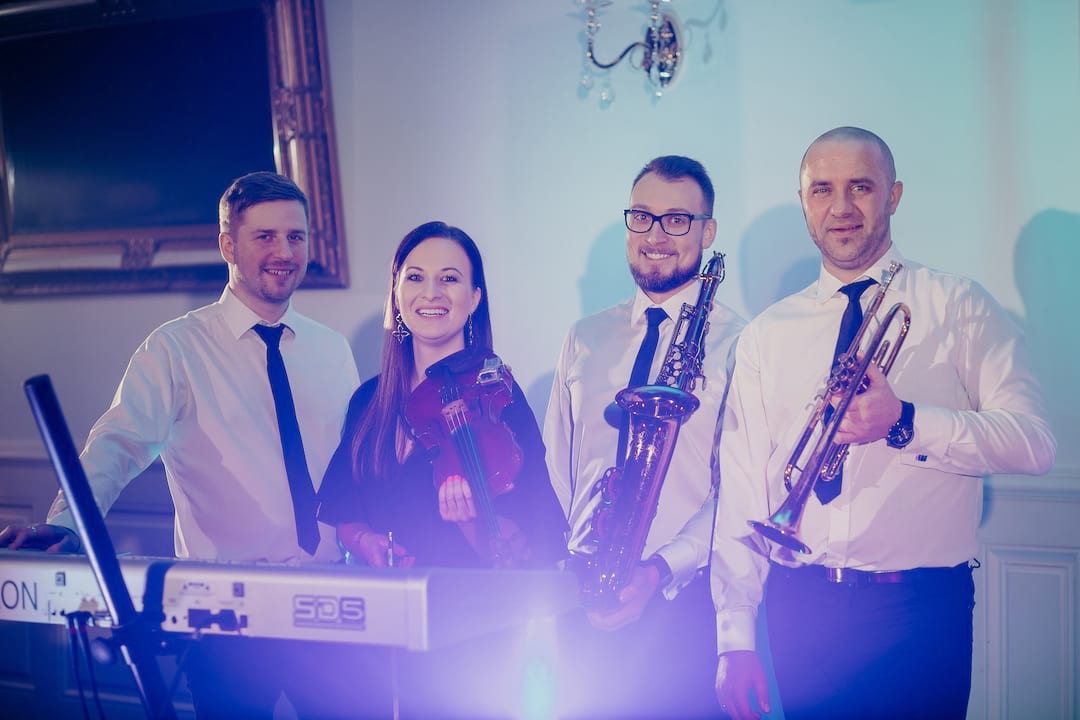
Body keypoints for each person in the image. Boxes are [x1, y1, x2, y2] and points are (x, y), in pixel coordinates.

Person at [711, 126, 1058, 720]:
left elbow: (1035, 444)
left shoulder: (959, 305)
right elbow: (741, 490)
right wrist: (735, 637)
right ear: (804, 203)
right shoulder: (766, 334)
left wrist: (905, 422)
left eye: (861, 187)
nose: (841, 207)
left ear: (893, 195)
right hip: (801, 609)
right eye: (822, 190)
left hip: (920, 612)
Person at [0, 171, 364, 719]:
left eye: (296, 236)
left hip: (329, 601)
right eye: (265, 236)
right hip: (225, 616)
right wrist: (68, 525)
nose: (285, 252)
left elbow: (354, 467)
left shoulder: (331, 349)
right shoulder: (175, 348)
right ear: (228, 246)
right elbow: (118, 443)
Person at [316, 220, 568, 717]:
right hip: (383, 637)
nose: (430, 292)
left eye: (449, 278)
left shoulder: (499, 398)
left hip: (470, 642)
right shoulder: (369, 399)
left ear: (474, 298)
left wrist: (473, 521)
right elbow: (345, 511)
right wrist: (366, 542)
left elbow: (526, 553)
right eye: (415, 277)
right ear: (396, 293)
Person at [544, 155, 746, 719]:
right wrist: (572, 569)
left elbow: (738, 490)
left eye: (677, 220)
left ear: (708, 231)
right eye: (642, 216)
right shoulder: (584, 336)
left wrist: (659, 570)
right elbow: (557, 467)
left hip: (679, 606)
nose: (655, 236)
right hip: (583, 599)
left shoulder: (743, 344)